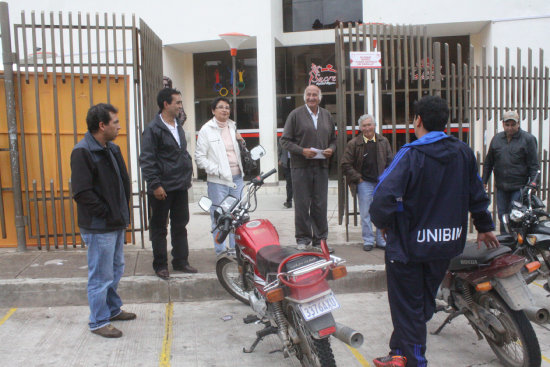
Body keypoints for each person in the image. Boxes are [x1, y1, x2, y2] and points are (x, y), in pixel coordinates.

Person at [370, 95, 499, 367]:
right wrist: (484, 225)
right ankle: (398, 353)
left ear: (418, 120)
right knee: (421, 305)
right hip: (445, 246)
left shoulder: (411, 154)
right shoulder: (463, 152)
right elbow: (477, 192)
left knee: (409, 310)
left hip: (408, 248)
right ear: (446, 121)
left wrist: (384, 223)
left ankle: (415, 361)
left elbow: (382, 197)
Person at [71, 103, 136, 338]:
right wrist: (107, 213)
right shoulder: (83, 152)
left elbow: (121, 182)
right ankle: (98, 321)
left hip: (115, 222)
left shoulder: (111, 148)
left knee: (116, 269)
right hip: (100, 226)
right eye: (115, 122)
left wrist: (120, 212)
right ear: (102, 125)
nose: (119, 126)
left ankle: (112, 309)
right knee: (100, 274)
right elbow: (81, 193)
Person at [139, 88, 197, 279]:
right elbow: (147, 159)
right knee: (159, 228)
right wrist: (155, 185)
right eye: (178, 103)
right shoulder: (153, 129)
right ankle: (160, 265)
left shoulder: (177, 125)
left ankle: (181, 261)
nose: (181, 106)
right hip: (162, 188)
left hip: (180, 185)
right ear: (166, 104)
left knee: (180, 225)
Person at [280, 85, 336, 252]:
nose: (312, 97)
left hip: (321, 166)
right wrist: (302, 151)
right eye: (309, 95)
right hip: (300, 167)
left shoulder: (326, 116)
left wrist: (331, 150)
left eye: (315, 95)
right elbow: (285, 141)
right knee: (302, 204)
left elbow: (333, 140)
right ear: (305, 97)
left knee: (320, 204)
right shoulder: (295, 115)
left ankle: (320, 240)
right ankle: (303, 238)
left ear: (320, 98)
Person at [195, 97, 245, 256]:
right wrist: (217, 170)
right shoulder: (206, 129)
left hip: (237, 179)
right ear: (213, 110)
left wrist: (241, 142)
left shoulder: (233, 126)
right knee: (219, 217)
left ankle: (235, 251)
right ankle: (221, 252)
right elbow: (199, 158)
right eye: (221, 107)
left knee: (236, 217)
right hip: (218, 181)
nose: (225, 110)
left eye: (227, 107)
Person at [341, 114, 393, 252]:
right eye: (364, 125)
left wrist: (386, 178)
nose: (367, 128)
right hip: (364, 183)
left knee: (381, 212)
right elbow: (345, 164)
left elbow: (390, 162)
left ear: (375, 125)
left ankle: (381, 240)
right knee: (365, 213)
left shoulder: (383, 141)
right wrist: (358, 178)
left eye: (370, 124)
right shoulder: (353, 144)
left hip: (381, 183)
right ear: (360, 128)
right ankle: (368, 240)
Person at [482, 110, 539, 233]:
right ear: (503, 124)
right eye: (507, 125)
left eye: (513, 125)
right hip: (502, 186)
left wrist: (534, 184)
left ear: (518, 124)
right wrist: (484, 181)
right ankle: (505, 243)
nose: (510, 128)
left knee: (515, 217)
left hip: (519, 187)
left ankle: (517, 245)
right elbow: (488, 162)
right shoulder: (497, 139)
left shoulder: (528, 139)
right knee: (503, 216)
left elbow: (534, 165)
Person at [277, 139, 293, 208]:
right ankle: (289, 202)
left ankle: (300, 201)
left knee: (298, 183)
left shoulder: (296, 137)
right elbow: (279, 151)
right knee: (289, 183)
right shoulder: (282, 139)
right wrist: (279, 159)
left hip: (296, 162)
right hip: (286, 162)